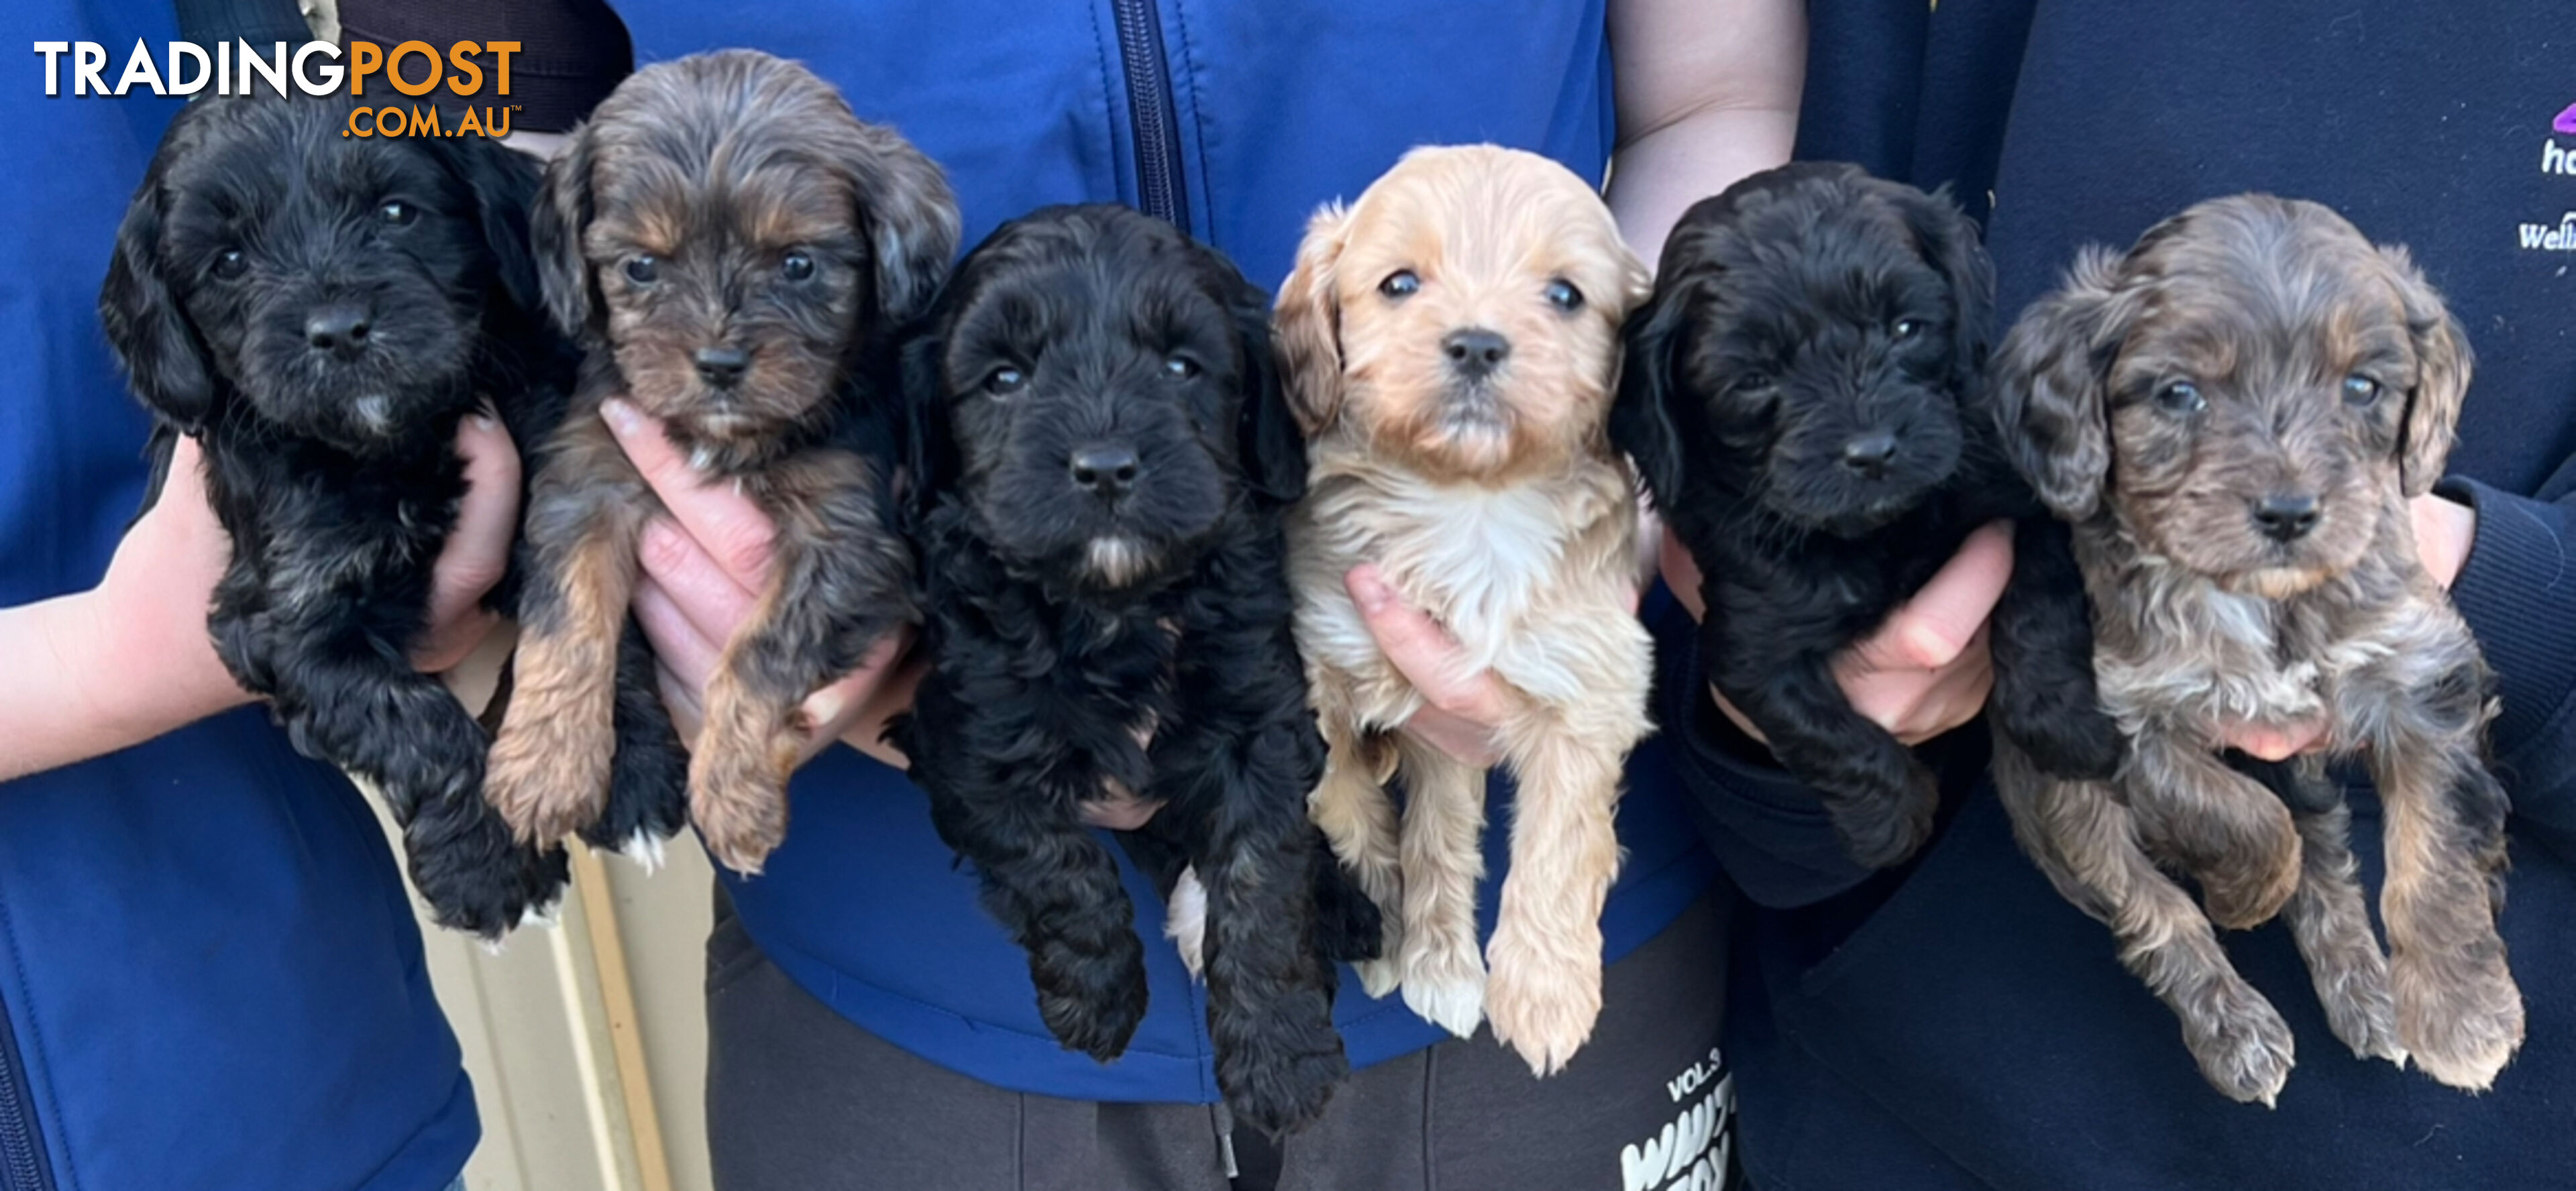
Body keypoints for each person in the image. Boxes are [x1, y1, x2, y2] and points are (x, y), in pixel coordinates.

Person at [566, 1, 1832, 1187]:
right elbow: (450, 108)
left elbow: (1710, 100)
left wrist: (1612, 492)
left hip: (1537, 943)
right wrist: (623, 549)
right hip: (894, 957)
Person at [1674, 1, 2576, 1186]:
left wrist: (2511, 591)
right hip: (1927, 1083)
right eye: (2181, 400)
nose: (2290, 483)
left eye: (2362, 389)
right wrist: (1785, 722)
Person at [0, 1, 623, 1186]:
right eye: (233, 264)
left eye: (389, 214)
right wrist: (107, 660)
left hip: (296, 1061)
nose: (328, 306)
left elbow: (397, 93)